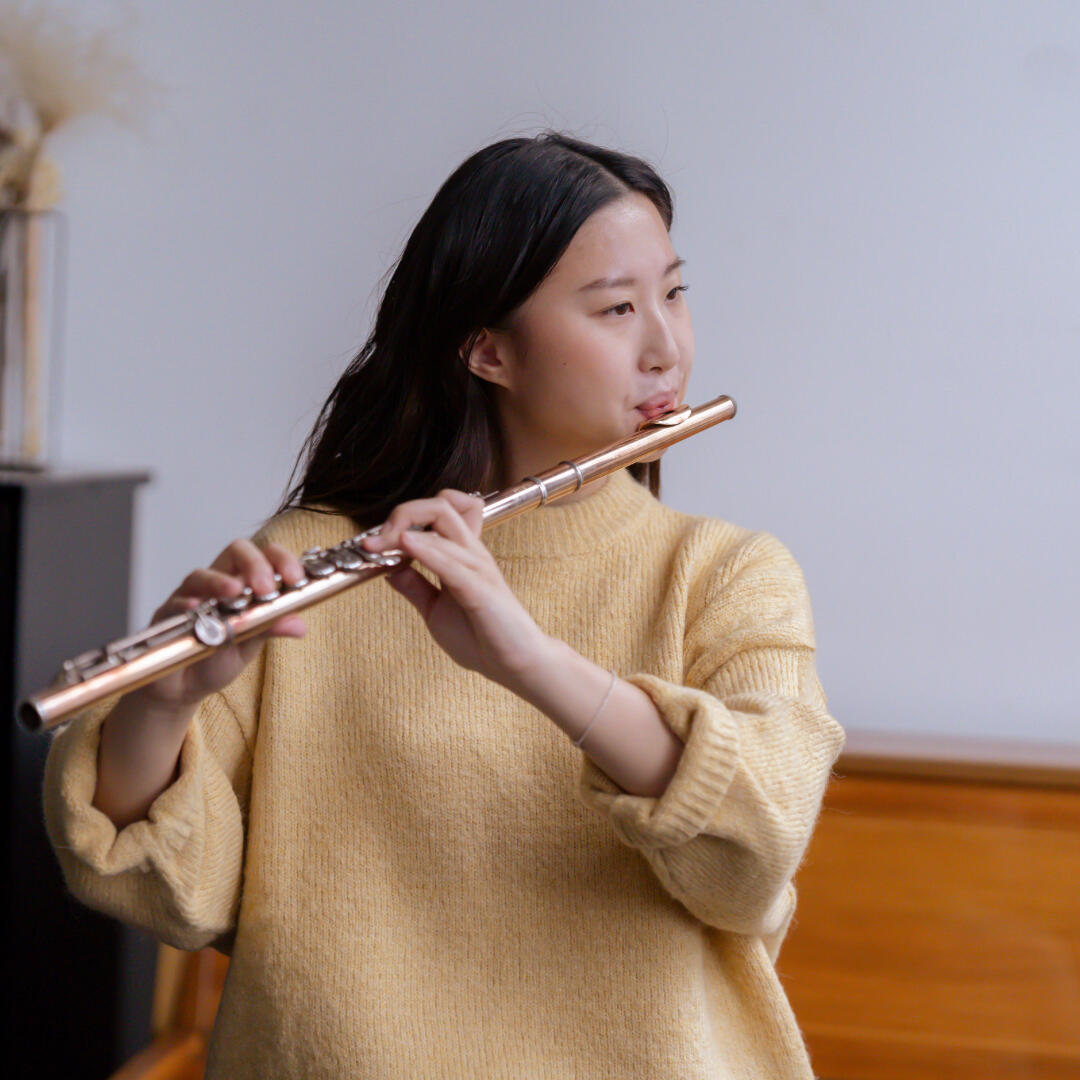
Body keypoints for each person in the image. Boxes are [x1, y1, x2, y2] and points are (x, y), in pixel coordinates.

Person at [43, 130, 845, 1079]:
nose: (666, 347)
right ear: (487, 350)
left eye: (673, 293)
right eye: (618, 308)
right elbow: (170, 895)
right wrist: (162, 703)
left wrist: (527, 660)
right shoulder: (311, 554)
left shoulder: (728, 574)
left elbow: (756, 849)